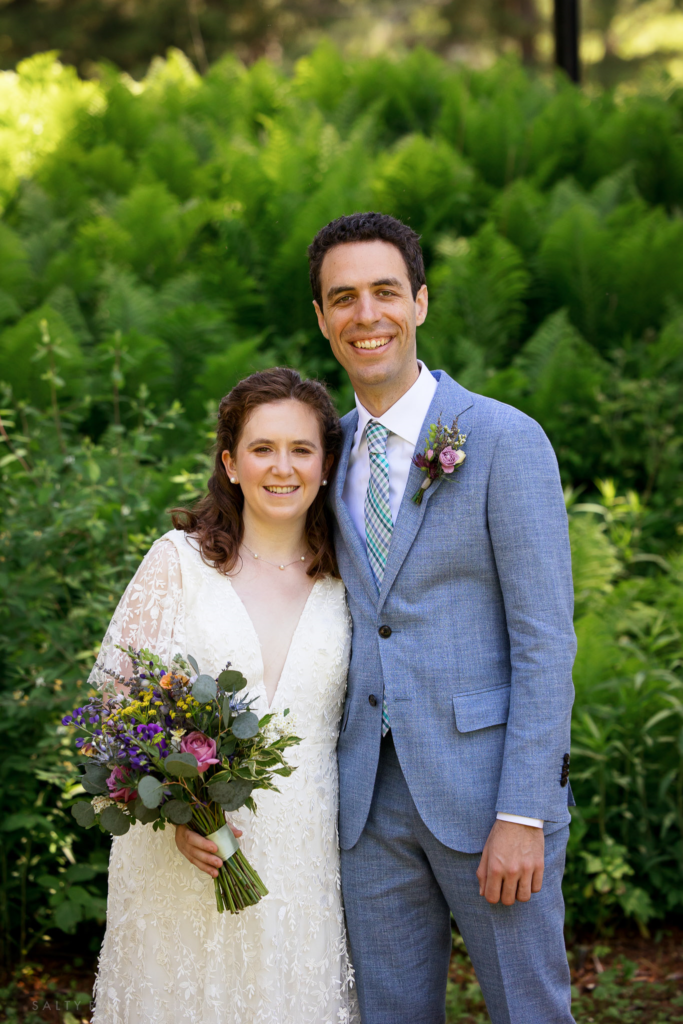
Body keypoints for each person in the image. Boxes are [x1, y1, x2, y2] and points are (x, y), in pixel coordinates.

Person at [309, 212, 577, 1024]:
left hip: (489, 792)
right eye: (343, 298)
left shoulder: (502, 439)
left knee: (528, 1010)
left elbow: (544, 641)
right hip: (367, 803)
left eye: (385, 292)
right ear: (322, 319)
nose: (367, 315)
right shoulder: (323, 454)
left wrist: (523, 811)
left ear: (419, 302)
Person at [89, 368, 359, 1024]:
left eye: (301, 449)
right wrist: (180, 814)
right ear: (230, 463)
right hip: (182, 860)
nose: (281, 467)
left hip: (304, 860)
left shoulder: (350, 582)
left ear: (326, 465)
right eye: (262, 449)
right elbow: (112, 709)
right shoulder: (178, 563)